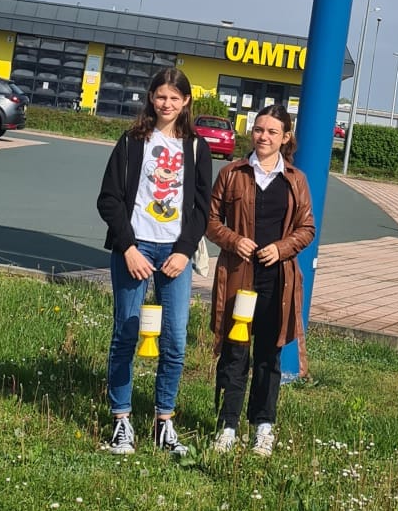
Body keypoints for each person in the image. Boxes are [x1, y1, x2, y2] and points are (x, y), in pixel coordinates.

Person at [97, 67, 212, 457]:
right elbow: (109, 198)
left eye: (174, 98)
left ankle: (165, 421)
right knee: (125, 335)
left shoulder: (196, 147)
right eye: (161, 96)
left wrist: (183, 250)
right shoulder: (132, 142)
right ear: (151, 97)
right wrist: (128, 247)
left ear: (186, 102)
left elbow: (202, 208)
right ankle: (121, 421)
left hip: (174, 253)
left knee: (175, 339)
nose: (167, 103)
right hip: (135, 250)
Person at [206, 103, 315, 455]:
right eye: (258, 129)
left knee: (269, 355)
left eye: (271, 131)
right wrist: (233, 240)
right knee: (235, 352)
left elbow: (307, 228)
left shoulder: (296, 180)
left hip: (277, 281)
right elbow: (210, 220)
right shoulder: (232, 173)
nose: (263, 137)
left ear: (285, 138)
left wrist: (282, 249)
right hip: (240, 277)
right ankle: (227, 425)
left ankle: (263, 426)